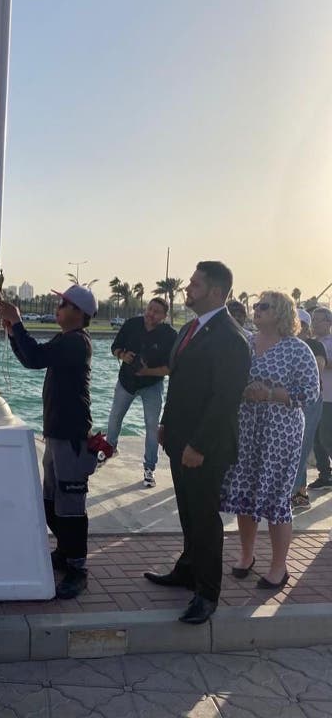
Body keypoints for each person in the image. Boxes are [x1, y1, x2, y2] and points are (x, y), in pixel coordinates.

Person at [143, 261, 250, 625]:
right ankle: (187, 569)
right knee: (188, 513)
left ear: (217, 292)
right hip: (179, 439)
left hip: (206, 447)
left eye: (195, 285)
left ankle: (207, 592)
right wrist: (165, 425)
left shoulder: (230, 338)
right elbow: (180, 383)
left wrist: (199, 446)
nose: (187, 289)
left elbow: (225, 399)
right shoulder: (190, 328)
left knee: (204, 518)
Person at [0, 284, 97, 600]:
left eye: (65, 304)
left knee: (70, 502)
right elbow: (32, 357)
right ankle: (65, 551)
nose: (59, 307)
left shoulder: (77, 343)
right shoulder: (66, 340)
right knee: (52, 500)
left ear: (79, 314)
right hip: (57, 433)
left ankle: (77, 567)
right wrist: (14, 331)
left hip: (71, 436)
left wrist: (18, 323)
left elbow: (37, 357)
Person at [221, 293, 319, 589]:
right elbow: (228, 379)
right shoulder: (246, 343)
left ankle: (279, 566)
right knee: (245, 494)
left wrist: (273, 394)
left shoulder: (298, 350)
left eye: (263, 306)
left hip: (280, 434)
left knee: (276, 498)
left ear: (280, 313)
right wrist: (243, 390)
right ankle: (247, 555)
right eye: (255, 306)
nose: (256, 310)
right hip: (247, 429)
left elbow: (310, 393)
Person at [106, 298, 177, 487]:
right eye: (149, 309)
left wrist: (147, 371)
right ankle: (109, 449)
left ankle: (149, 467)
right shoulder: (132, 324)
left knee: (152, 426)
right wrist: (123, 355)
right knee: (114, 418)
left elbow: (170, 368)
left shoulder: (169, 335)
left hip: (152, 384)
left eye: (157, 312)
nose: (151, 314)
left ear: (164, 316)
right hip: (126, 381)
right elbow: (114, 347)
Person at [291, 308, 326, 510]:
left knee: (302, 445)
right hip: (288, 400)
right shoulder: (285, 345)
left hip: (310, 401)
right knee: (295, 445)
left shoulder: (314, 345)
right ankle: (297, 493)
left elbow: (317, 370)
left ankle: (298, 493)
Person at [308, 307, 332, 490]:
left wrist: (320, 358)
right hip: (315, 397)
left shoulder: (329, 342)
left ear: (329, 322)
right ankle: (325, 475)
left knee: (326, 437)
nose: (315, 323)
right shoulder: (311, 343)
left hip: (329, 398)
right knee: (315, 439)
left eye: (319, 320)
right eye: (313, 319)